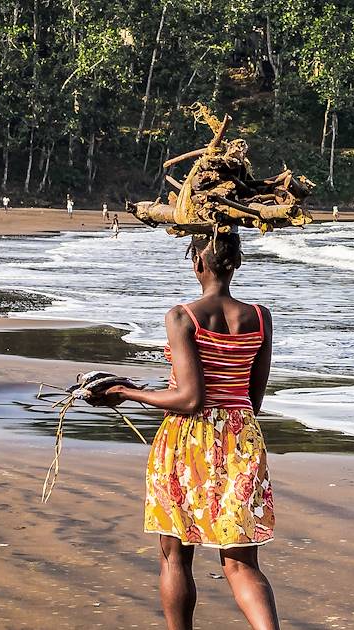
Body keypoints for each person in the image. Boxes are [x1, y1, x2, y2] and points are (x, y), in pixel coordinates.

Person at [105, 231, 279, 630]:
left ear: (197, 263)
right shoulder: (260, 316)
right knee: (240, 563)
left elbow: (190, 399)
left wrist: (127, 392)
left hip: (187, 443)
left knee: (175, 554)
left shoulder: (182, 316)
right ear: (235, 263)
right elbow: (252, 398)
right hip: (241, 439)